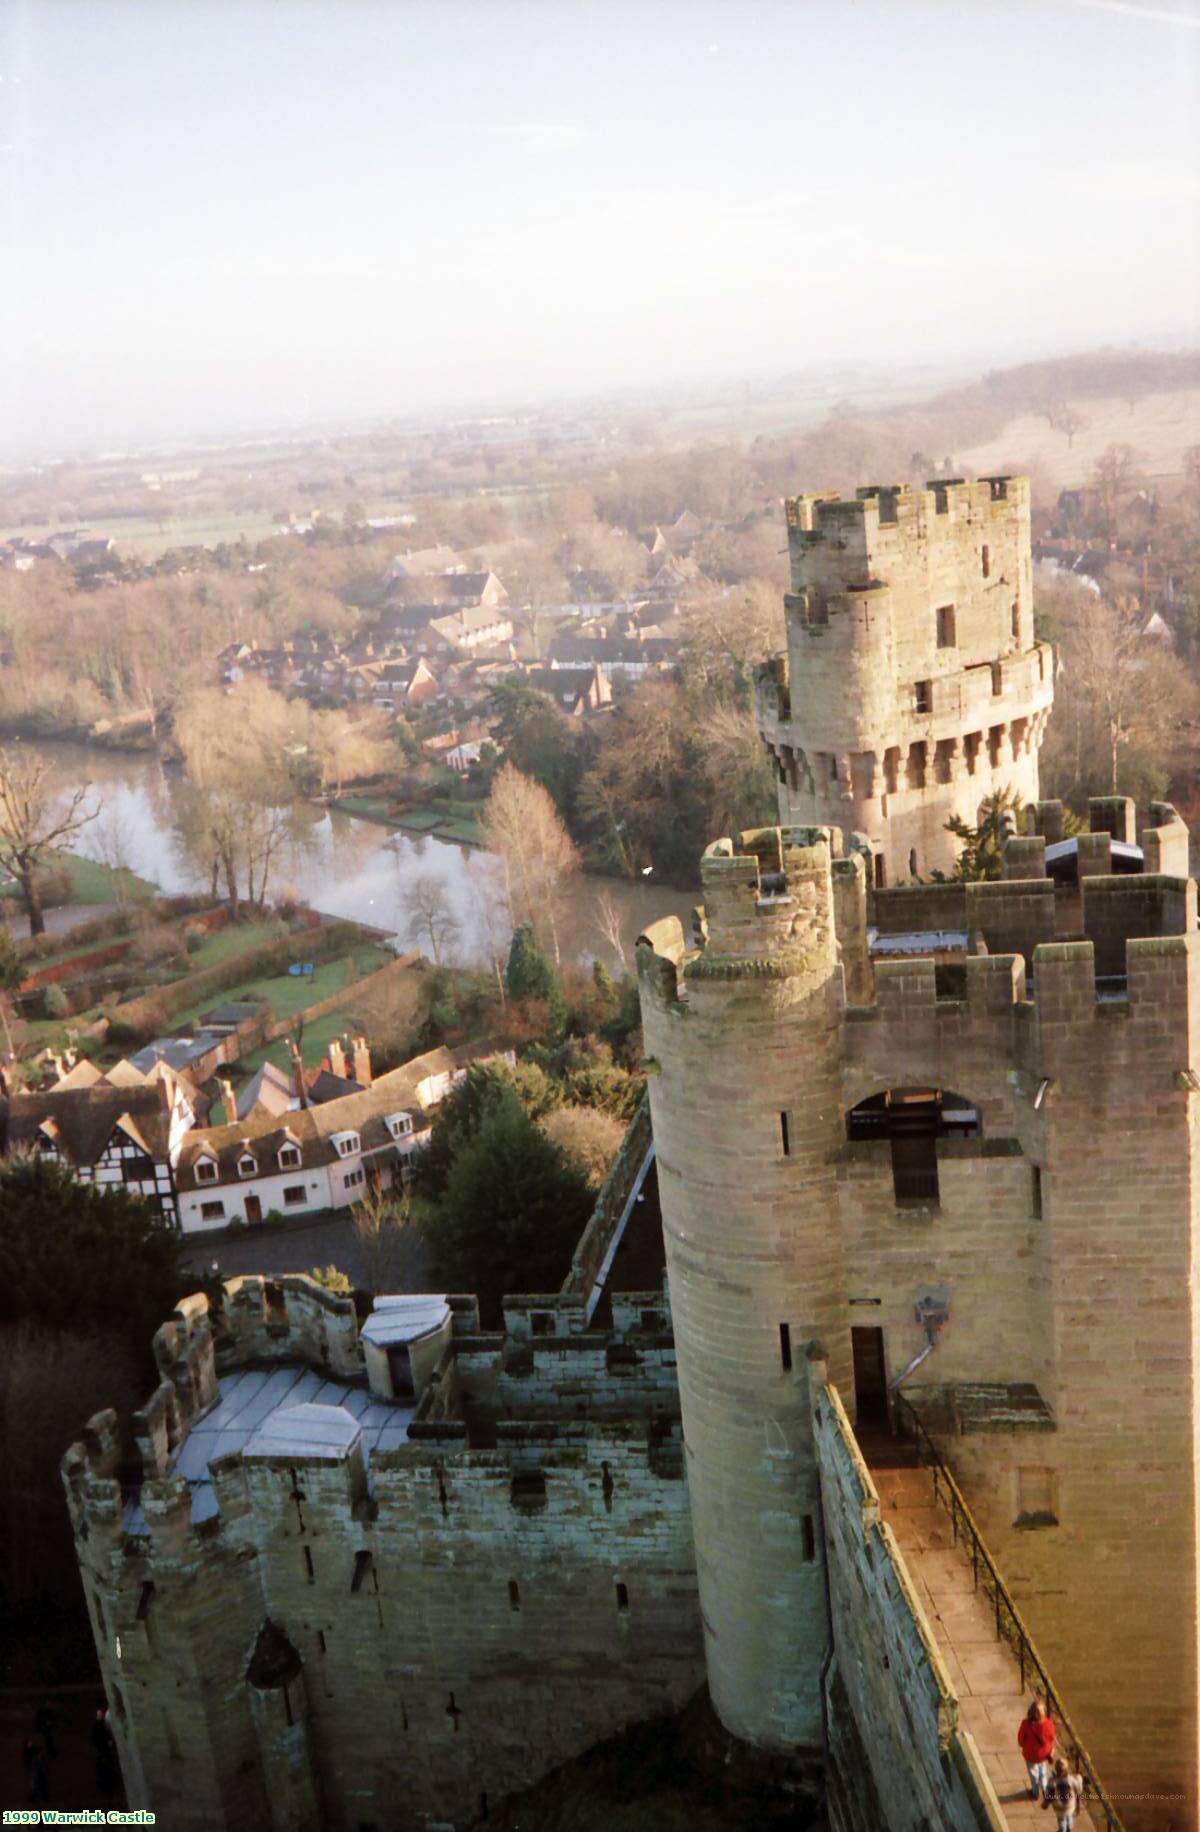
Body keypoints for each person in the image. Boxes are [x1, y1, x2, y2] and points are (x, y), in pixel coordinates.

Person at [1017, 1698, 1056, 1801]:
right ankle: (1044, 1788)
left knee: (1033, 1773)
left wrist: (1024, 1745)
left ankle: (1035, 1792)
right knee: (1043, 1772)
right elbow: (1052, 1738)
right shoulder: (1049, 1724)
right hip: (1044, 1754)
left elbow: (1021, 1739)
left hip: (1031, 1754)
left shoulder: (1026, 1724)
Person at [1042, 1756, 1085, 1830]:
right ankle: (1069, 1827)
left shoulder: (1052, 1781)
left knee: (1061, 1820)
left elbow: (1049, 1795)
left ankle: (1062, 1829)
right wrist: (1079, 1778)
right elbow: (1078, 1791)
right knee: (1069, 1816)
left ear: (1056, 1769)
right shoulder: (1072, 1779)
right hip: (1070, 1805)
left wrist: (1045, 1804)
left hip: (1059, 1807)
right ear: (1067, 1769)